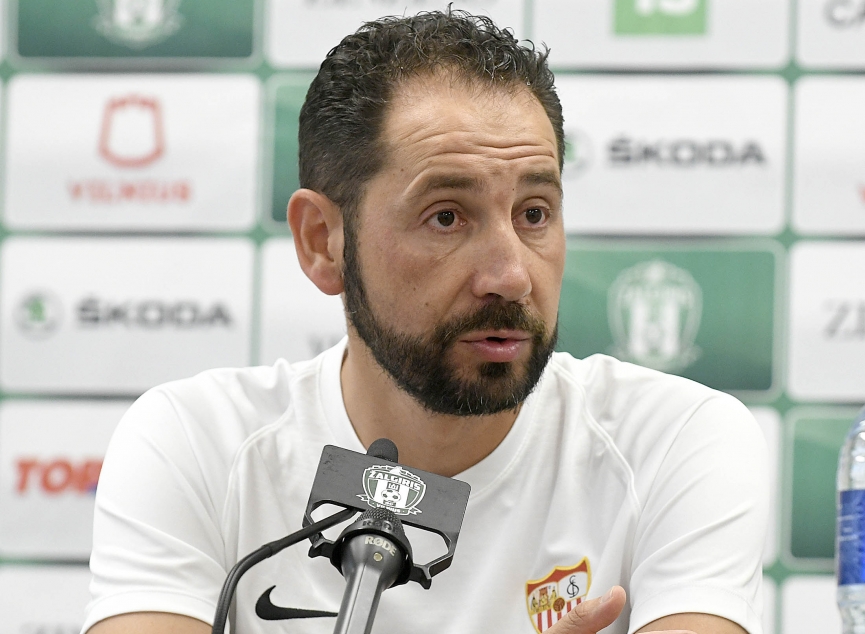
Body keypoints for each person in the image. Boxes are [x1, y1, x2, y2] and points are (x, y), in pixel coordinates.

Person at [82, 10, 768, 634]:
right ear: (322, 240)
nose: (510, 274)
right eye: (446, 216)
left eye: (533, 213)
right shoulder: (198, 441)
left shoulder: (674, 442)